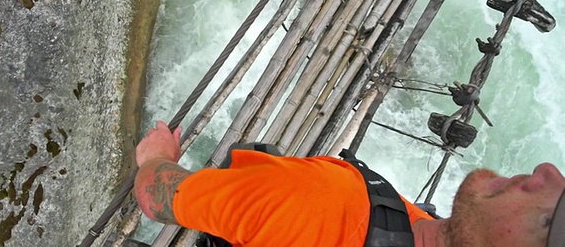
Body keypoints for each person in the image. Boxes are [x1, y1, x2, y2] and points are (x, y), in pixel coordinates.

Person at [134, 121, 565, 246]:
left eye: (554, 218)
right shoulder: (417, 222)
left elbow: (158, 199)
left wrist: (156, 158)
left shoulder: (325, 207)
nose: (548, 172)